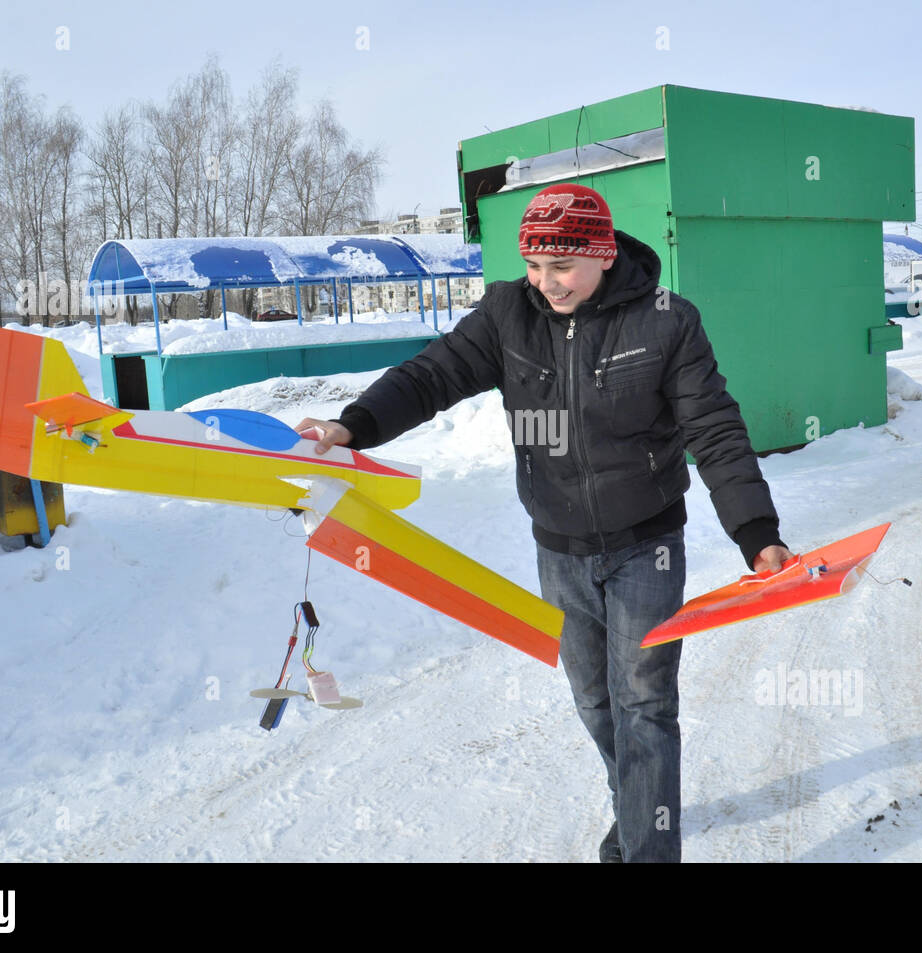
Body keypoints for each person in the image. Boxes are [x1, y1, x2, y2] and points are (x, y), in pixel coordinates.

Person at [296, 183, 791, 863]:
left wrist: (756, 531)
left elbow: (715, 428)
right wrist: (355, 423)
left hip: (648, 546)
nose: (545, 282)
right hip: (558, 552)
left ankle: (646, 848)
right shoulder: (508, 315)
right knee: (596, 703)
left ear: (604, 254)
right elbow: (429, 376)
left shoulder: (666, 321)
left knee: (643, 703)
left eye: (561, 266)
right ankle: (641, 807)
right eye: (534, 265)